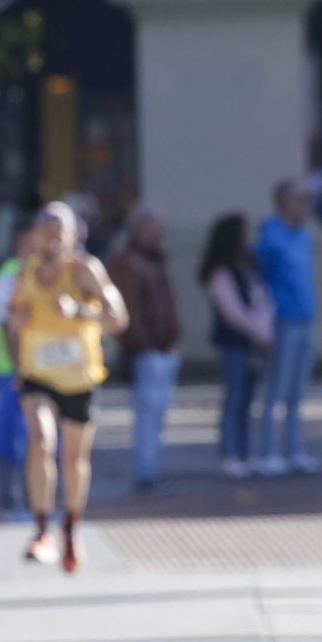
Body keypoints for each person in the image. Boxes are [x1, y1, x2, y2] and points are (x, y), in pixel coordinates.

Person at [7, 202, 128, 572]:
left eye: (58, 230)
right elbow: (11, 325)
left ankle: (71, 528)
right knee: (41, 440)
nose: (51, 236)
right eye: (45, 229)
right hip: (38, 375)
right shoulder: (25, 271)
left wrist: (80, 312)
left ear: (74, 234)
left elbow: (118, 319)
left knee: (74, 459)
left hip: (79, 377)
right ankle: (41, 530)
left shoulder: (85, 270)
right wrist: (17, 358)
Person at [108, 206, 183, 493]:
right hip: (147, 350)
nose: (157, 234)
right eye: (151, 228)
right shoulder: (127, 263)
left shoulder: (154, 261)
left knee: (160, 412)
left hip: (164, 347)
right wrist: (141, 342)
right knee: (147, 414)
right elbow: (127, 311)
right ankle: (145, 470)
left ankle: (153, 466)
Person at [203, 214, 275, 480]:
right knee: (234, 398)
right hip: (236, 342)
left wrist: (265, 331)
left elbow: (262, 299)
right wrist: (257, 332)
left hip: (256, 341)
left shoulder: (249, 265)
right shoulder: (222, 270)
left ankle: (246, 453)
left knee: (247, 400)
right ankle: (229, 454)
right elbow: (232, 311)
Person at [255, 180, 320, 475]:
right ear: (284, 202)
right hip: (283, 321)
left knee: (297, 392)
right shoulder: (270, 235)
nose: (305, 205)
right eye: (299, 200)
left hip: (305, 318)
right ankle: (269, 451)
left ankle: (295, 450)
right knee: (276, 389)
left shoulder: (303, 236)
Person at [0, 223, 35, 517]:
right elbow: (7, 325)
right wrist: (19, 367)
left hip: (41, 369)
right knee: (9, 435)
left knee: (38, 435)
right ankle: (8, 496)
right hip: (13, 371)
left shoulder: (42, 274)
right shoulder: (10, 276)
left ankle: (36, 494)